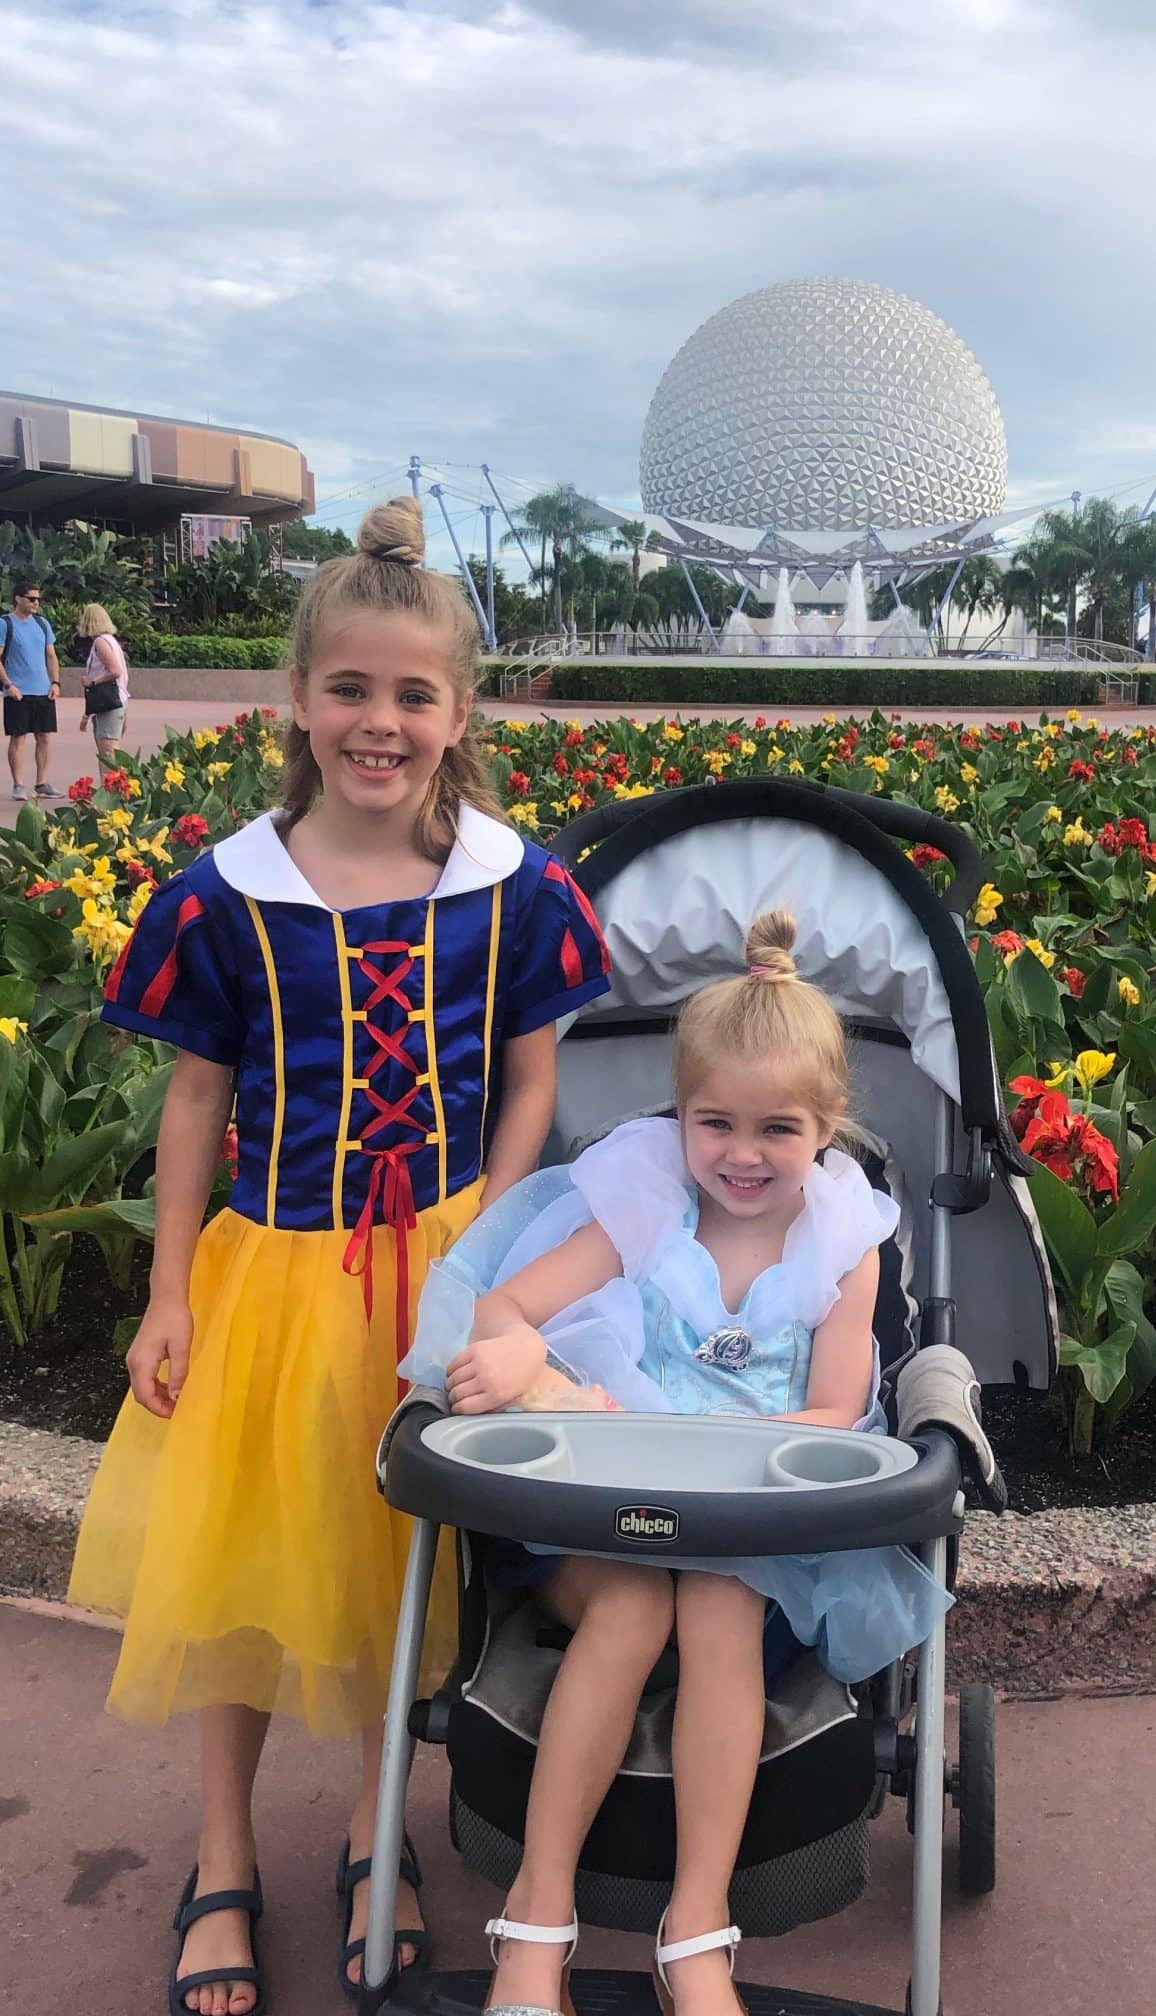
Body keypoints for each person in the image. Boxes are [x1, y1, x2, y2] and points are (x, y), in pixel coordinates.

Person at [66, 496, 611, 2016]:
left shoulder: (520, 885)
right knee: (244, 1575)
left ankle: (382, 1836)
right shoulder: (227, 893)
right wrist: (170, 1291)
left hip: (447, 1265)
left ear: (457, 713)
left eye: (413, 695)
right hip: (275, 1276)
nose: (381, 722)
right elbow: (195, 1103)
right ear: (299, 702)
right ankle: (224, 1854)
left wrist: (489, 1257)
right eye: (351, 690)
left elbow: (533, 1084)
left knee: (403, 1575)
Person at [409, 911, 951, 2016]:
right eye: (715, 1124)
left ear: (827, 1128)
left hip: (747, 1520)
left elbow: (838, 1404)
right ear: (679, 1115)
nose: (742, 1156)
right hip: (601, 1509)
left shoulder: (842, 1247)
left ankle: (697, 1924)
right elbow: (512, 1302)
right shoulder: (642, 1211)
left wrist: (745, 1486)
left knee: (709, 1604)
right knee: (633, 1605)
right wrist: (511, 1343)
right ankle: (537, 1911)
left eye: (776, 1130)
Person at [1, 577, 61, 800]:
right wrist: (9, 685)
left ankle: (42, 782)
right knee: (18, 737)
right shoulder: (5, 623)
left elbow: (51, 655)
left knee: (44, 736)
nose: (36, 603)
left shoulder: (42, 624)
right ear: (18, 599)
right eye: (31, 598)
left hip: (42, 690)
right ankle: (18, 784)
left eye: (38, 599)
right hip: (18, 692)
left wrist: (55, 682)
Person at [76, 602, 130, 761]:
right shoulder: (111, 641)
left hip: (109, 703)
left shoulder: (100, 642)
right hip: (118, 699)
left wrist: (93, 682)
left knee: (108, 754)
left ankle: (113, 786)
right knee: (108, 753)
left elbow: (115, 670)